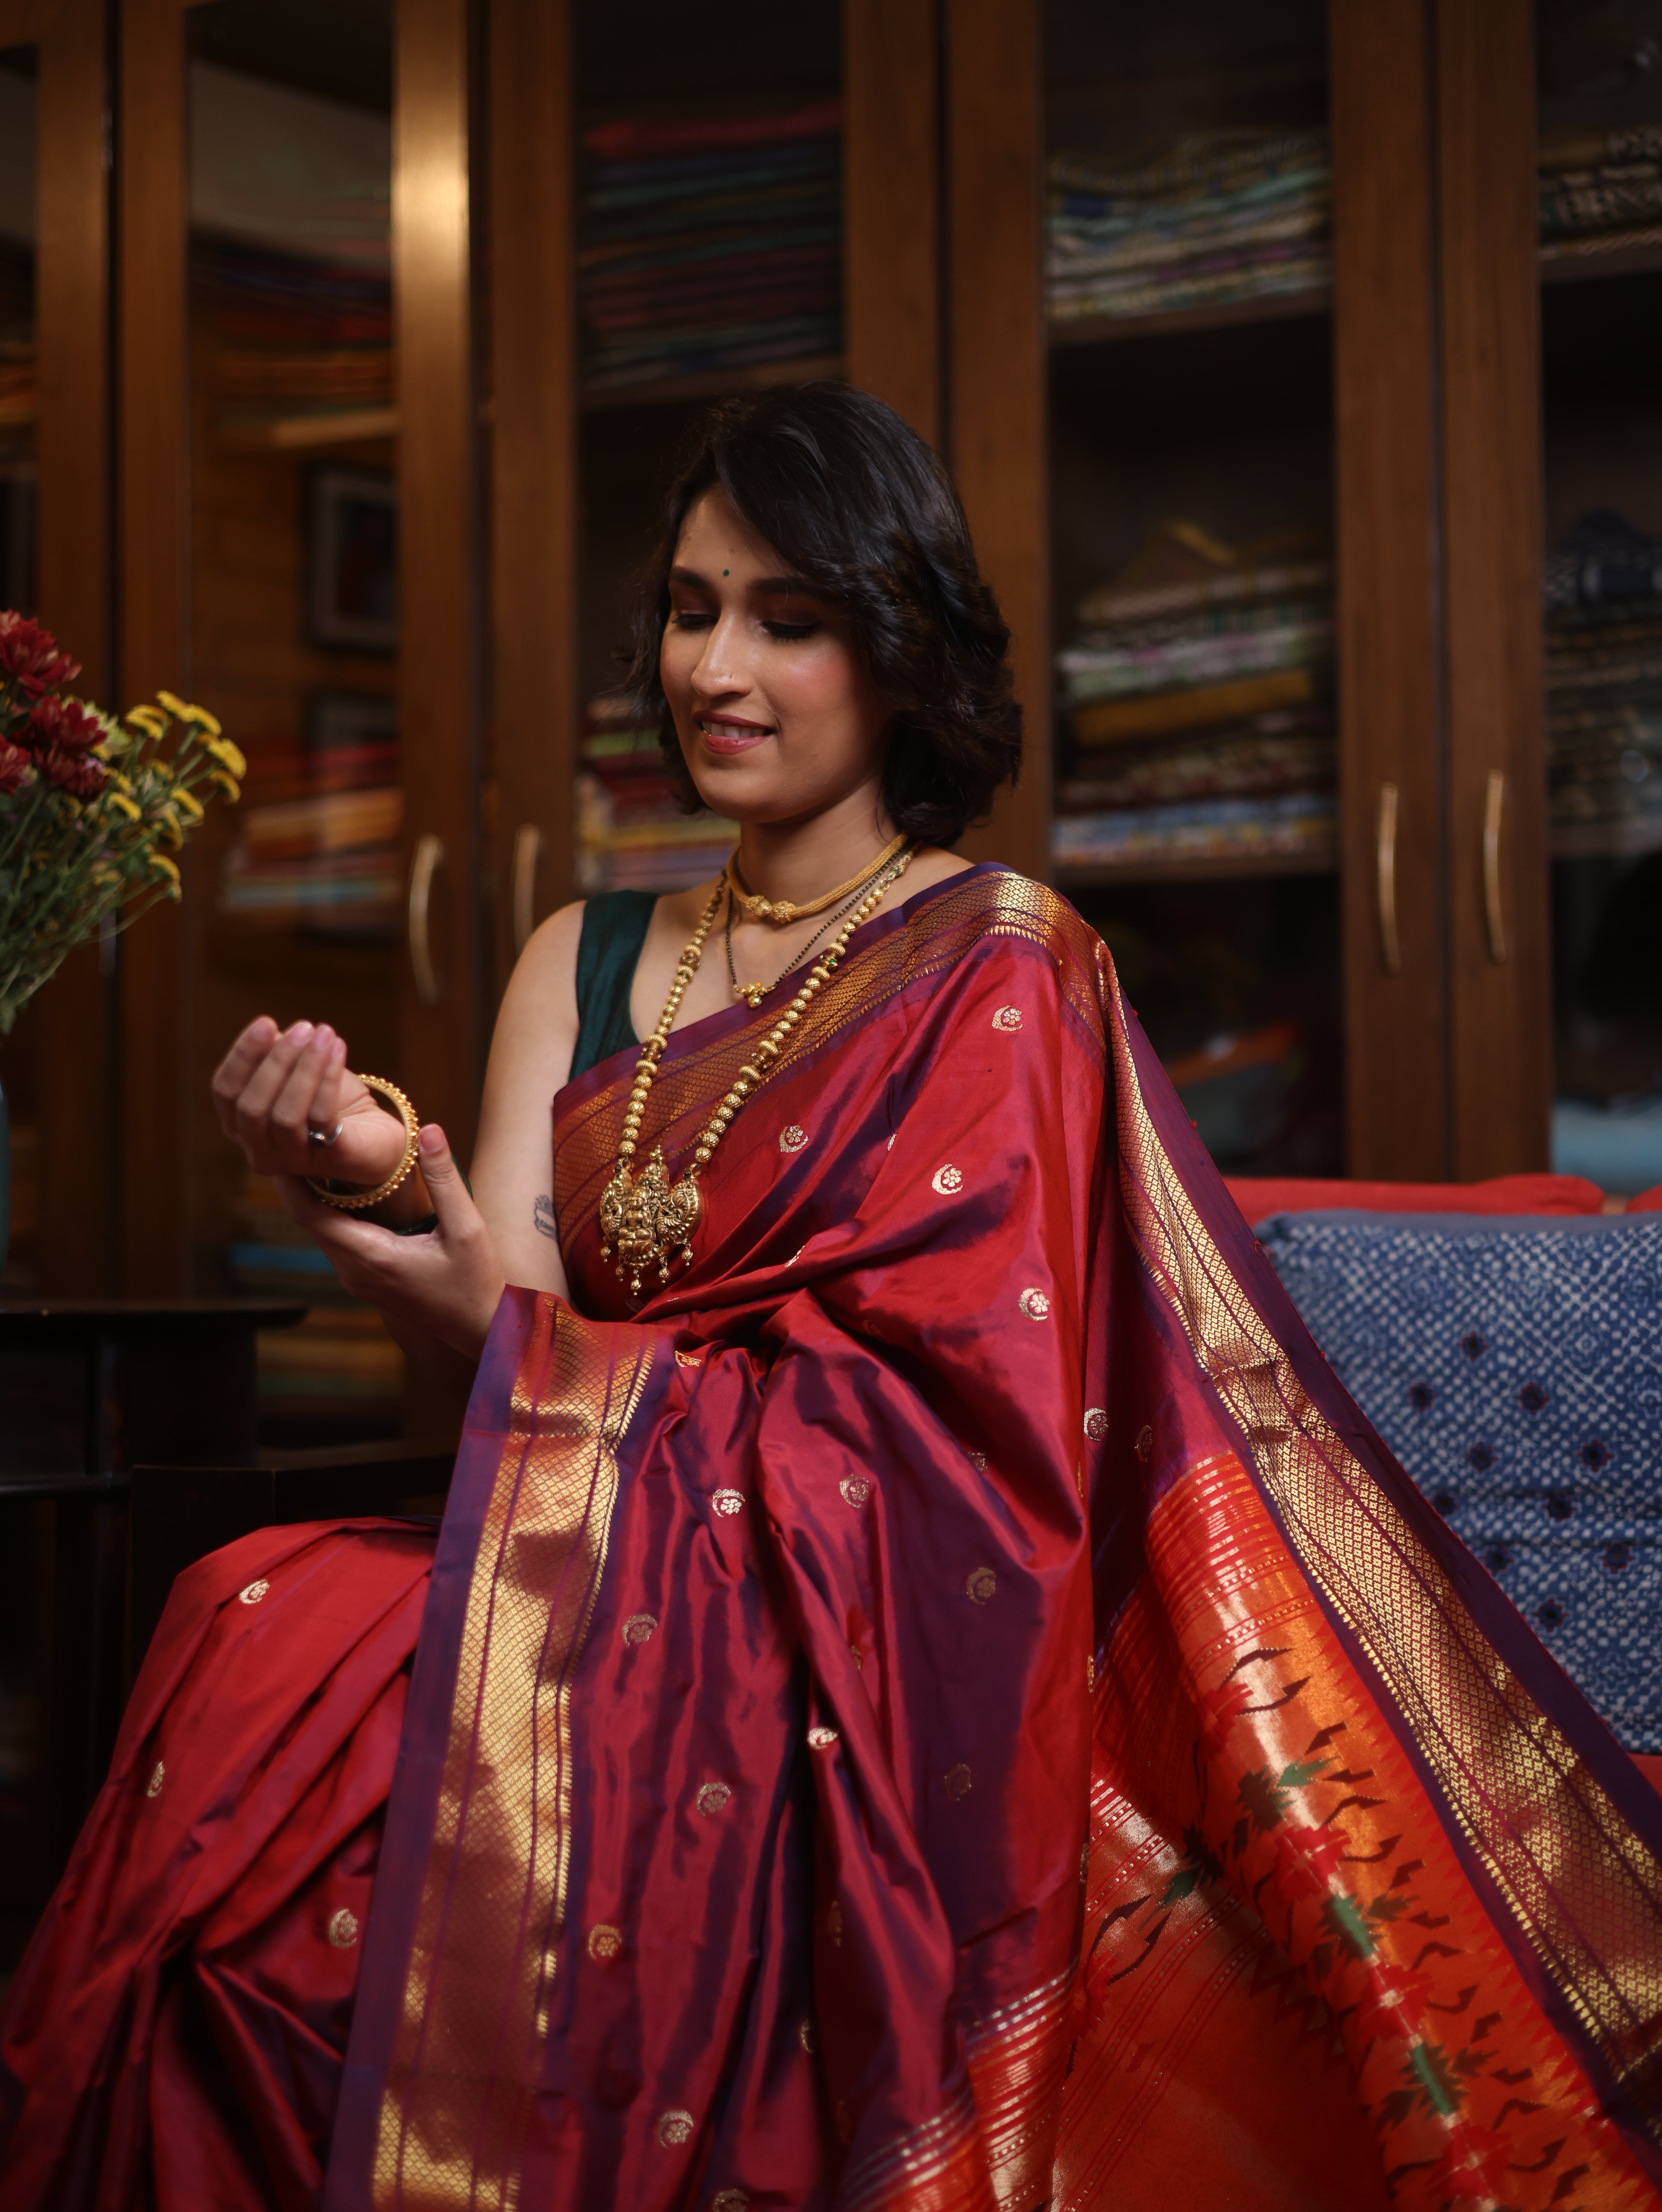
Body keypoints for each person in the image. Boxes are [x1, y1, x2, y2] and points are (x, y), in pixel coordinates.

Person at [3, 383, 1662, 2212]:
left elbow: (963, 1444)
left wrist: (550, 1353)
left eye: (785, 621)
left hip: (847, 1625)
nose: (714, 667)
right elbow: (507, 1336)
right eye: (691, 608)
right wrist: (372, 1183)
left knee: (325, 1724)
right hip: (581, 1545)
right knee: (249, 1619)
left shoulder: (1001, 965)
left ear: (896, 653)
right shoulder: (584, 952)